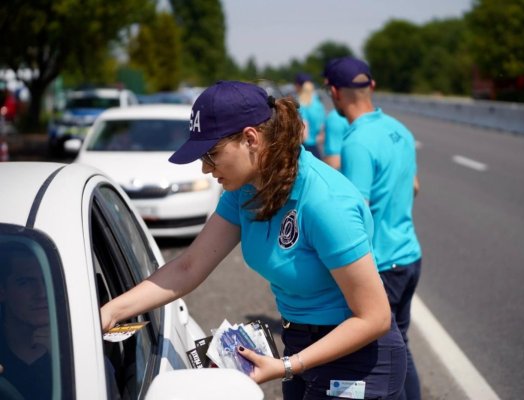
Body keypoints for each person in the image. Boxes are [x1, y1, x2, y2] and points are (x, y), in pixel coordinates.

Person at [101, 80, 407, 399]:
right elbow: (190, 266)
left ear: (251, 138)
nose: (205, 169)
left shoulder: (325, 202)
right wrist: (110, 312)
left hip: (357, 357)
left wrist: (289, 365)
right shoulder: (246, 189)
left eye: (211, 154)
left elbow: (375, 317)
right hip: (301, 344)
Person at [323, 57, 423, 400]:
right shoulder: (399, 129)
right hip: (409, 255)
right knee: (402, 348)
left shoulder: (357, 142)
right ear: (372, 87)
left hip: (382, 264)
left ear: (334, 92)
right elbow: (415, 186)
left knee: (382, 359)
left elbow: (354, 216)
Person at [0, 242, 52, 400]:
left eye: (47, 281)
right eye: (26, 282)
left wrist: (63, 357)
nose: (41, 293)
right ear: (2, 291)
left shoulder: (81, 354)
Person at [294, 73, 326, 159]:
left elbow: (304, 134)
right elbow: (322, 132)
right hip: (317, 147)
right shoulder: (318, 104)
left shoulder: (302, 105)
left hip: (306, 148)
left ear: (298, 86)